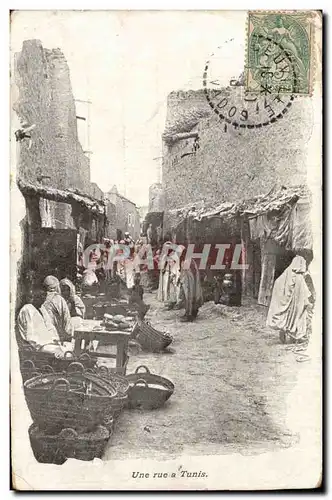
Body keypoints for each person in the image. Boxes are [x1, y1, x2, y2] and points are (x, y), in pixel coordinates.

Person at [266, 255, 313, 346]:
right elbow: (305, 293)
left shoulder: (285, 274)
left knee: (286, 316)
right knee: (298, 316)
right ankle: (295, 337)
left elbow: (277, 284)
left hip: (285, 303)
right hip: (296, 305)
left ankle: (284, 332)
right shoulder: (299, 278)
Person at [41, 275, 73, 343]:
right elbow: (67, 322)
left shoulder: (40, 298)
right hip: (56, 338)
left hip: (42, 337)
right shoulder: (59, 299)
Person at [178, 254, 204, 322]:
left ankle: (189, 315)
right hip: (191, 283)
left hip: (189, 283)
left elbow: (186, 273)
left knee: (188, 298)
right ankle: (190, 313)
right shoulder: (191, 260)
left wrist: (181, 280)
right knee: (190, 298)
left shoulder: (187, 261)